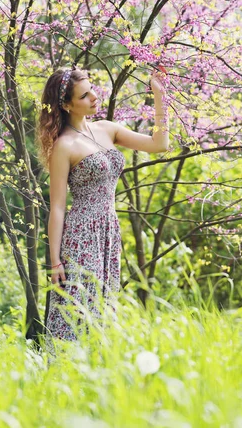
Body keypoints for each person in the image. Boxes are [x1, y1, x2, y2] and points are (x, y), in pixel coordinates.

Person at [36, 64, 169, 355]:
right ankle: (63, 371)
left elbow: (160, 144)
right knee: (79, 307)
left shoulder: (107, 130)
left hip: (108, 231)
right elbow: (57, 207)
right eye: (84, 96)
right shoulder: (64, 146)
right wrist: (55, 260)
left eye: (92, 90)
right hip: (81, 235)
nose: (94, 98)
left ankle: (95, 372)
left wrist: (160, 96)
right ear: (67, 104)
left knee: (104, 307)